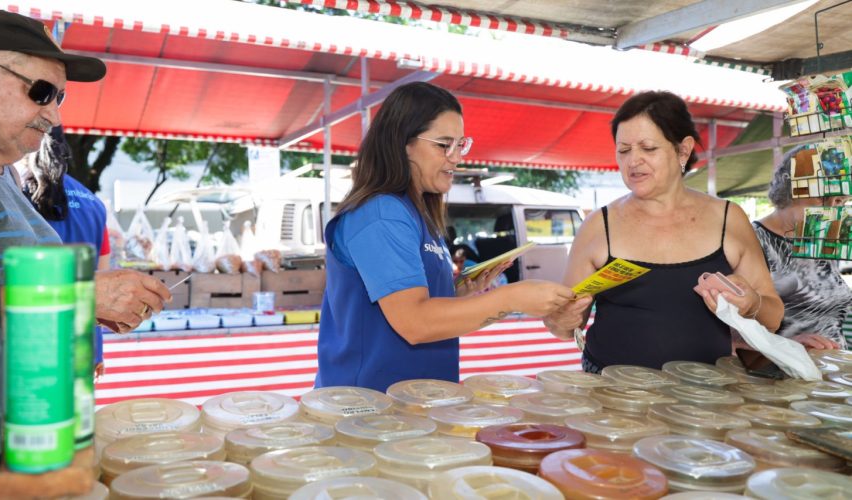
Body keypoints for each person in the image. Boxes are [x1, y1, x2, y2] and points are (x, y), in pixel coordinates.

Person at [316, 82, 578, 392]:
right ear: (403, 143)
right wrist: (512, 297)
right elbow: (415, 321)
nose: (455, 158)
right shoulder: (382, 213)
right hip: (372, 406)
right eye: (443, 145)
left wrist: (460, 292)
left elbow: (412, 305)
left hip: (413, 400)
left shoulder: (415, 212)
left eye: (460, 144)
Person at [0, 10, 169, 332]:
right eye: (41, 92)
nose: (54, 116)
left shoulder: (2, 171)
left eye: (60, 97)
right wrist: (79, 296)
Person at [543, 90, 783, 373]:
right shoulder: (598, 225)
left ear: (683, 149)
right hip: (613, 396)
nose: (633, 161)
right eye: (624, 150)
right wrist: (562, 318)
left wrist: (752, 303)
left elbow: (773, 316)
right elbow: (562, 326)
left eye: (648, 148)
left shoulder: (728, 218)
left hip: (706, 396)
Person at [19, 126, 113, 377]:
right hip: (84, 342)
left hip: (34, 341)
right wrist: (97, 351)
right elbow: (102, 282)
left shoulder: (17, 196)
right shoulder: (94, 203)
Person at [753, 147, 850, 349]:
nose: (832, 208)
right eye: (822, 197)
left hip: (829, 368)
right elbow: (731, 323)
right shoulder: (752, 240)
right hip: (781, 370)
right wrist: (784, 343)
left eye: (840, 201)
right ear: (791, 190)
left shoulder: (821, 241)